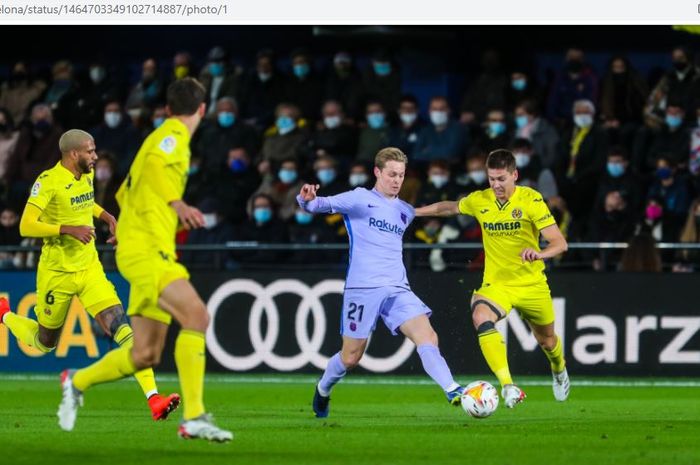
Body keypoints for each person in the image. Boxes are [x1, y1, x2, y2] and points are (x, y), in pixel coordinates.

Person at [54, 78, 232, 442]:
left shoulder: (157, 135)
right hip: (149, 251)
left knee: (145, 353)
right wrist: (176, 202)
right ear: (202, 109)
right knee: (197, 316)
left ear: (168, 107)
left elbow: (125, 188)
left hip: (144, 247)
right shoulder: (173, 137)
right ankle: (195, 417)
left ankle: (77, 382)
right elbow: (152, 168)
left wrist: (125, 226)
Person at [0, 129, 179, 423]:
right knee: (45, 342)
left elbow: (84, 203)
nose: (96, 156)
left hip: (89, 267)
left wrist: (107, 217)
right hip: (56, 272)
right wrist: (67, 229)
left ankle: (154, 399)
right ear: (73, 154)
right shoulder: (48, 182)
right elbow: (26, 225)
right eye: (90, 151)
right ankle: (5, 315)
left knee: (122, 327)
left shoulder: (86, 174)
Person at [297, 147, 465, 418]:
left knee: (427, 335)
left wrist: (466, 205)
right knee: (351, 357)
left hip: (398, 288)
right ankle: (323, 389)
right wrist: (306, 200)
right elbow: (320, 205)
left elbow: (435, 209)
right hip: (363, 289)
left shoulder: (403, 210)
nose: (397, 180)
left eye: (401, 175)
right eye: (391, 174)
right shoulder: (359, 199)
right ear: (377, 172)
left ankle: (452, 389)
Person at [415, 149, 570, 408]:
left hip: (531, 284)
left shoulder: (531, 200)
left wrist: (540, 253)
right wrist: (414, 212)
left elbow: (560, 243)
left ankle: (559, 368)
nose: (496, 185)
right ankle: (508, 386)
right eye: (491, 179)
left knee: (548, 341)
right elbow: (450, 208)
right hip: (497, 285)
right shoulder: (481, 200)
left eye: (501, 179)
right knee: (480, 316)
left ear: (514, 175)